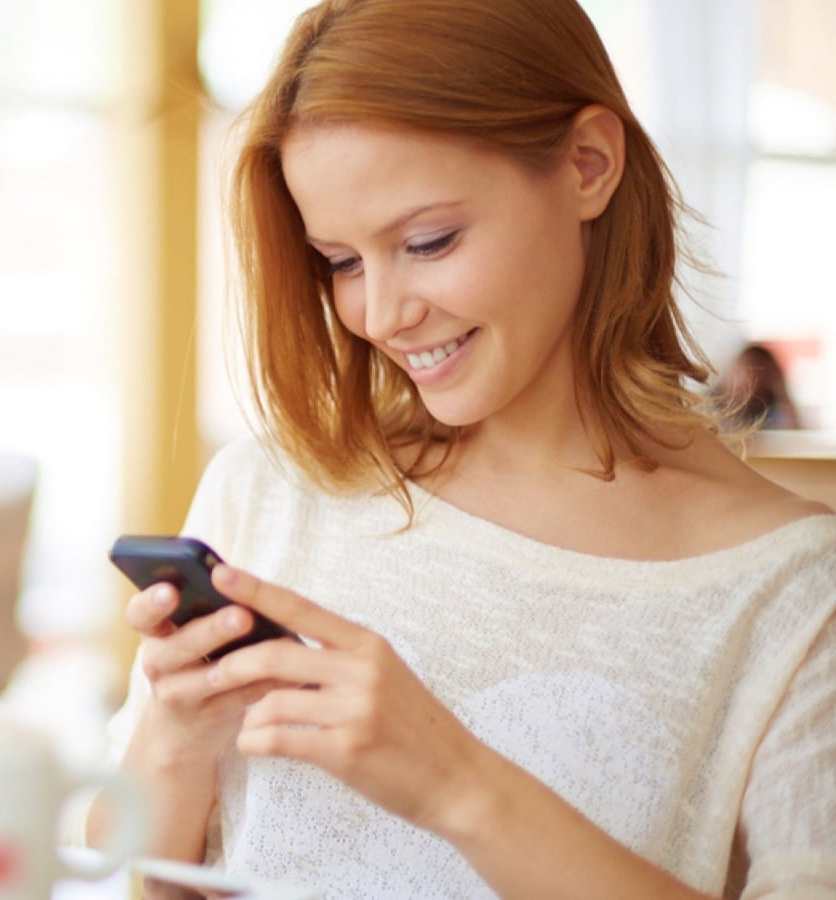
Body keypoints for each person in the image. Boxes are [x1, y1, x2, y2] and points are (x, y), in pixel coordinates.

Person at [90, 1, 836, 897]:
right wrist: (176, 739)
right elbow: (125, 878)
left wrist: (455, 783)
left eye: (428, 241)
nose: (382, 312)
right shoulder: (271, 494)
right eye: (342, 261)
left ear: (589, 164)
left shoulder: (792, 595)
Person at [720, 343, 804, 431]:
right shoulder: (716, 402)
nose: (750, 379)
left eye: (760, 374)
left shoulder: (773, 407)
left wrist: (781, 392)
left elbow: (794, 431)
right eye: (746, 371)